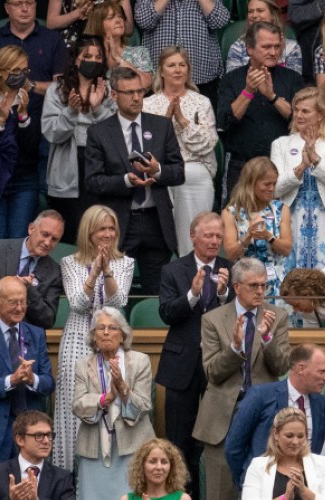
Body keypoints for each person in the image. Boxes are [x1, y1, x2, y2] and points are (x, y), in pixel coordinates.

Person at [194, 258, 291, 500]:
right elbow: (213, 372)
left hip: (264, 415)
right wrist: (235, 347)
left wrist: (267, 337)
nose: (260, 291)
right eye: (253, 286)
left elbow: (280, 367)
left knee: (264, 495)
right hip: (223, 416)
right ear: (236, 287)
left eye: (263, 285)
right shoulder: (213, 319)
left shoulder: (277, 316)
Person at [85, 66, 185, 304]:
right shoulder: (99, 132)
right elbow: (92, 182)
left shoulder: (161, 126)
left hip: (155, 221)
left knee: (157, 295)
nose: (136, 97)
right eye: (129, 92)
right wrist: (125, 181)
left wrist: (157, 171)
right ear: (114, 95)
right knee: (116, 294)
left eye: (140, 91)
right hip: (119, 223)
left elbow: (178, 172)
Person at [157, 211, 232, 499]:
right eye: (209, 235)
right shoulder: (173, 270)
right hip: (182, 365)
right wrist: (192, 294)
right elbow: (166, 313)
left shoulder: (230, 268)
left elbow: (238, 316)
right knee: (179, 441)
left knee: (214, 442)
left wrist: (224, 296)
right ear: (193, 236)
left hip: (218, 366)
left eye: (218, 236)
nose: (215, 241)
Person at [55, 207, 135, 474]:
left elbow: (118, 301)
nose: (108, 234)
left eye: (112, 228)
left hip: (112, 340)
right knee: (77, 408)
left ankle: (106, 478)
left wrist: (107, 271)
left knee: (109, 404)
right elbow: (78, 304)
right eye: (102, 229)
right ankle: (71, 477)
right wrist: (93, 273)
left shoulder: (126, 263)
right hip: (78, 338)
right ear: (89, 233)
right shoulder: (70, 262)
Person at [73, 307, 155, 500]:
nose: (106, 332)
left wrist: (122, 387)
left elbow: (144, 406)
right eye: (101, 328)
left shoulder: (139, 361)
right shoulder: (83, 365)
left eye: (112, 328)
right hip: (94, 447)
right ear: (93, 336)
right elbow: (77, 404)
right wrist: (104, 398)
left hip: (132, 446)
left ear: (123, 335)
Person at [0, 277, 57, 484]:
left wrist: (32, 378)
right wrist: (11, 380)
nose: (19, 308)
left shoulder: (37, 334)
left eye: (23, 302)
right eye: (13, 302)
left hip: (30, 436)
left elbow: (49, 383)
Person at [226, 345, 325, 494]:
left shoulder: (323, 405)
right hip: (263, 490)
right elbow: (233, 447)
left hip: (304, 493)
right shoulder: (260, 396)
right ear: (301, 369)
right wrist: (247, 483)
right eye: (321, 371)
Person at [144, 47, 218, 258]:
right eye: (171, 65)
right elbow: (147, 148)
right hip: (160, 172)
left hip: (195, 170)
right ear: (161, 71)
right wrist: (166, 122)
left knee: (195, 235)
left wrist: (183, 121)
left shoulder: (201, 102)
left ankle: (196, 274)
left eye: (182, 65)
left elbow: (208, 144)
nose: (177, 70)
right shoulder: (148, 104)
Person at [217, 22, 304, 198]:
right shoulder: (230, 80)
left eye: (277, 46)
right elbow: (225, 121)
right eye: (266, 47)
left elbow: (299, 119)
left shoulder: (293, 79)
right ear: (249, 48)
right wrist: (248, 92)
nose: (273, 52)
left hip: (282, 164)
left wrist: (272, 96)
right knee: (238, 220)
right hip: (242, 165)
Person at [0, 211, 65, 354]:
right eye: (45, 234)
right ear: (31, 229)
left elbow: (47, 319)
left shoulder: (54, 271)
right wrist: (7, 289)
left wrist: (28, 289)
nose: (48, 242)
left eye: (54, 239)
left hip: (22, 349)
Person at [42, 37, 115, 238]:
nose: (93, 60)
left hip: (98, 169)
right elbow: (51, 133)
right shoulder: (56, 90)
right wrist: (71, 113)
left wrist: (98, 108)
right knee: (69, 236)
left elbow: (115, 134)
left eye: (98, 57)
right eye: (87, 56)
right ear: (76, 59)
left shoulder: (108, 90)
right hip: (68, 171)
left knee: (94, 236)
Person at [0, 46, 46, 241]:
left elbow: (32, 146)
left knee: (17, 239)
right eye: (15, 71)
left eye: (24, 71)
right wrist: (1, 121)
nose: (21, 75)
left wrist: (22, 116)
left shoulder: (34, 101)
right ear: (1, 72)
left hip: (24, 181)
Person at [222, 157, 292, 309]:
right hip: (245, 284)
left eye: (274, 183)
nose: (272, 188)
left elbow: (286, 249)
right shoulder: (231, 213)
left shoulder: (281, 209)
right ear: (251, 183)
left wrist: (269, 237)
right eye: (267, 184)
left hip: (276, 283)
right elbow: (230, 254)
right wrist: (247, 237)